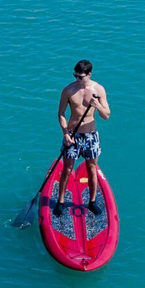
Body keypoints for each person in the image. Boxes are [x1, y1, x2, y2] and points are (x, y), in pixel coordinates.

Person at [57, 60, 112, 213]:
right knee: (67, 168)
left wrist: (98, 106)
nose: (77, 79)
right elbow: (61, 114)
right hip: (72, 135)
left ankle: (92, 202)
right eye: (75, 75)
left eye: (80, 77)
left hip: (90, 136)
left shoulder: (98, 90)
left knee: (91, 168)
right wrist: (65, 133)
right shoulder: (68, 90)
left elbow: (106, 115)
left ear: (89, 75)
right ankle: (61, 201)